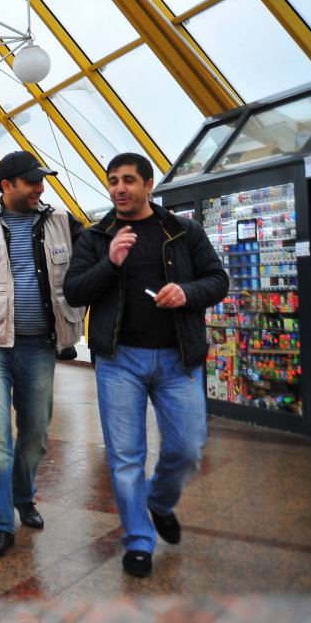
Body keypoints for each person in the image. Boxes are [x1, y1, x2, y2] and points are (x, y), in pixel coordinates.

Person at [63, 152, 227, 578]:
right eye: (113, 181)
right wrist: (110, 262)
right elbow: (75, 291)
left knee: (187, 450)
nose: (119, 188)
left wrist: (187, 293)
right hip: (120, 361)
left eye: (129, 180)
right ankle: (138, 539)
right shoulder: (97, 237)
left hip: (178, 359)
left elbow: (217, 279)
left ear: (149, 185)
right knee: (126, 456)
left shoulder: (183, 231)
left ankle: (159, 502)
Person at [0, 150, 85, 559]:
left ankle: (24, 495)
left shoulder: (60, 221)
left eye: (41, 181)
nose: (40, 188)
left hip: (40, 344)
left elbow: (94, 257)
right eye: (32, 182)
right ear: (7, 186)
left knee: (37, 433)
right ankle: (1, 522)